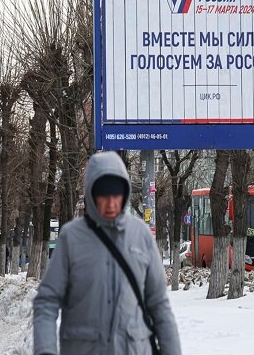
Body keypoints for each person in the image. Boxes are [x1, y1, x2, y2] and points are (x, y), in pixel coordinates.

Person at [33, 151, 181, 355]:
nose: (111, 203)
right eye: (104, 196)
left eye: (116, 195)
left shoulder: (141, 235)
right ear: (92, 196)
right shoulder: (72, 237)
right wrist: (45, 350)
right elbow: (46, 301)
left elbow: (159, 305)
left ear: (125, 194)